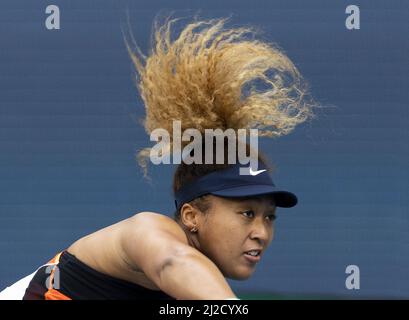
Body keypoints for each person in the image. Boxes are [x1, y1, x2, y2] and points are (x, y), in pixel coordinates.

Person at [0, 16, 313, 300]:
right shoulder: (149, 232)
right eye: (247, 213)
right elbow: (172, 261)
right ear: (191, 216)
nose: (261, 232)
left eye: (269, 217)